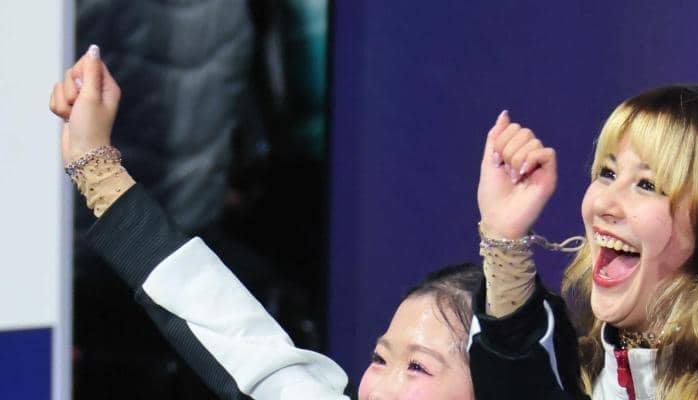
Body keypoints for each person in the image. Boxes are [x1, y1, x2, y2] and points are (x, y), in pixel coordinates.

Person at [49, 46, 587, 399]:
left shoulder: (514, 379)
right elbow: (218, 313)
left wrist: (504, 242)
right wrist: (95, 165)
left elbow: (517, 362)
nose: (378, 389)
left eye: (418, 368)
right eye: (380, 358)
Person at [476, 86, 698, 399]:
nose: (603, 204)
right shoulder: (582, 371)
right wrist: (502, 236)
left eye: (647, 185)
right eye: (608, 173)